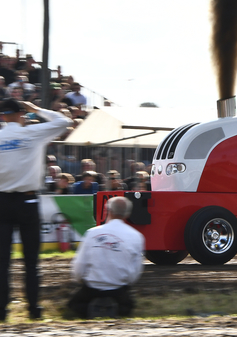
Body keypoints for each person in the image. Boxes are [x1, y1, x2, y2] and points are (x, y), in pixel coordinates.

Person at [0, 98, 72, 321]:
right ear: (22, 114)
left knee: (2, 262)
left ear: (3, 116)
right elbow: (64, 121)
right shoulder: (33, 133)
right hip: (27, 201)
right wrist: (38, 110)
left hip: (2, 202)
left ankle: (2, 311)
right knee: (31, 261)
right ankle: (33, 309)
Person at [68, 196, 145, 318]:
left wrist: (81, 280)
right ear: (127, 214)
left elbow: (79, 266)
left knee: (73, 306)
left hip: (92, 289)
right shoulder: (136, 236)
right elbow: (135, 272)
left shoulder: (92, 233)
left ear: (108, 211)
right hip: (118, 290)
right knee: (127, 308)